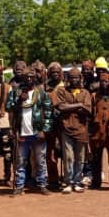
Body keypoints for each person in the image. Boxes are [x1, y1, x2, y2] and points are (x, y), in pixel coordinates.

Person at [6, 65, 54, 196]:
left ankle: (42, 185)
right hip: (21, 133)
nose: (29, 79)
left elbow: (49, 112)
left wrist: (44, 130)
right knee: (20, 161)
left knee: (40, 161)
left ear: (34, 78)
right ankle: (19, 186)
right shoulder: (15, 92)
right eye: (26, 77)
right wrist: (18, 100)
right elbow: (8, 107)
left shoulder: (41, 93)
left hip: (37, 132)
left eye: (31, 77)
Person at [53, 68, 92, 194]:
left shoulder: (85, 92)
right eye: (71, 77)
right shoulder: (61, 91)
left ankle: (77, 181)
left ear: (80, 78)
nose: (74, 80)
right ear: (67, 79)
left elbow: (88, 109)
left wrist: (70, 107)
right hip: (66, 128)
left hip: (81, 129)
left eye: (76, 77)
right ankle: (68, 182)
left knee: (80, 157)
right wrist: (79, 105)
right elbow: (61, 107)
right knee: (68, 156)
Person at [89, 68, 109, 190]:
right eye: (102, 82)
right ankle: (96, 182)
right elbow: (91, 113)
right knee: (96, 159)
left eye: (106, 81)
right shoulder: (95, 97)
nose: (104, 84)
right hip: (97, 132)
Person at [44, 62, 66, 190]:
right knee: (50, 153)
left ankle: (67, 179)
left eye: (57, 72)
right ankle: (53, 179)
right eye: (53, 72)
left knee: (66, 152)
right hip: (49, 124)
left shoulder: (66, 86)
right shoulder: (45, 87)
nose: (55, 74)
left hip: (64, 124)